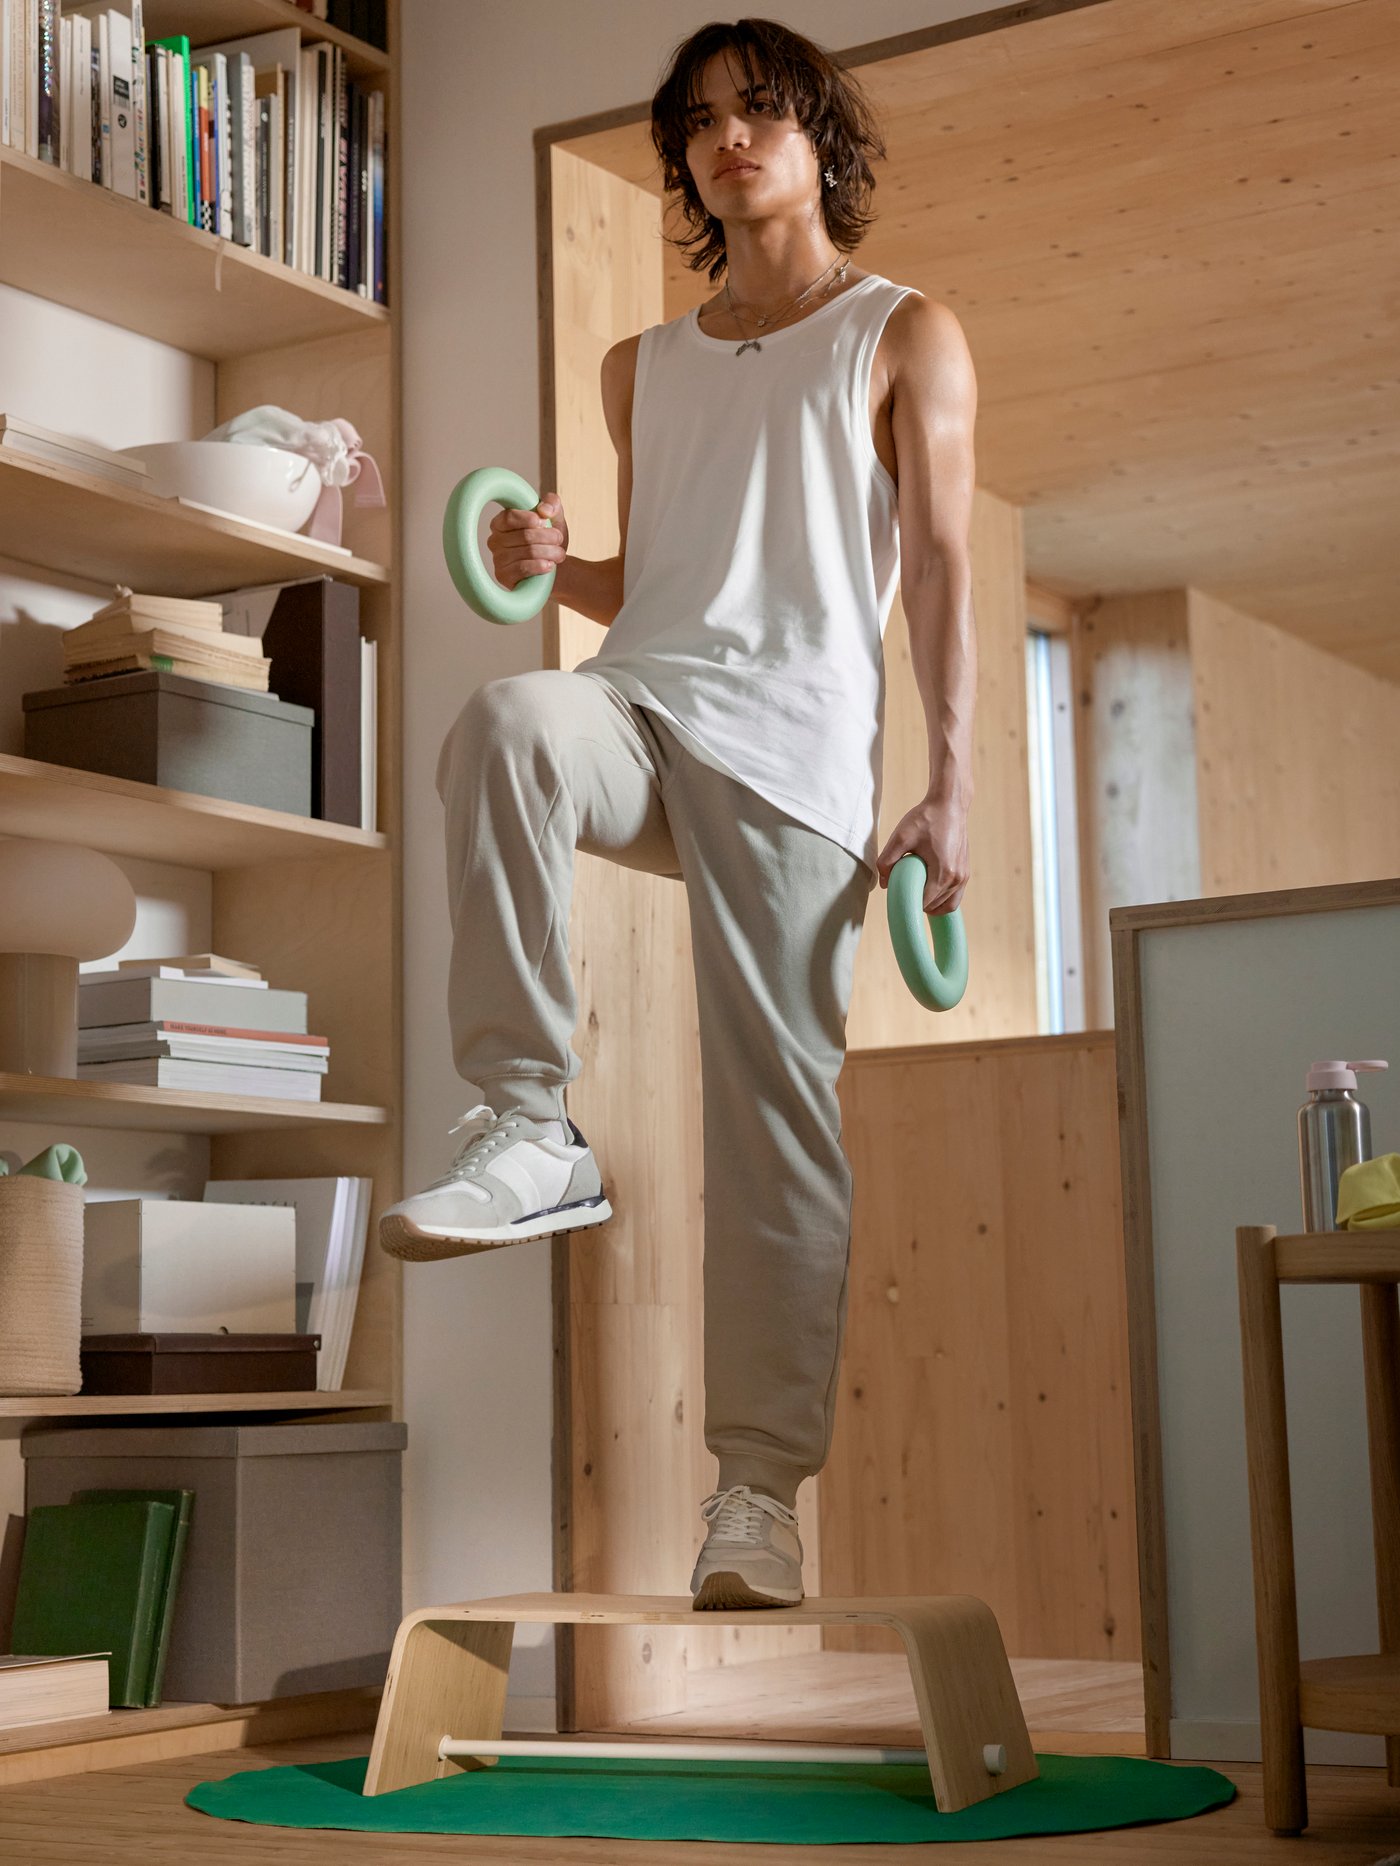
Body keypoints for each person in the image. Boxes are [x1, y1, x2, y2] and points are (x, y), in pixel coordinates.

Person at [381, 17, 978, 1612]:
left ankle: (757, 1496)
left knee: (772, 1121)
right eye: (702, 122)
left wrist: (954, 781)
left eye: (759, 111)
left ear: (816, 134)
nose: (729, 140)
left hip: (796, 763)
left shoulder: (906, 333)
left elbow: (934, 572)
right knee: (508, 716)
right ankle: (527, 1126)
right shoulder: (642, 361)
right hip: (646, 707)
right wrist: (545, 563)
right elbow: (660, 585)